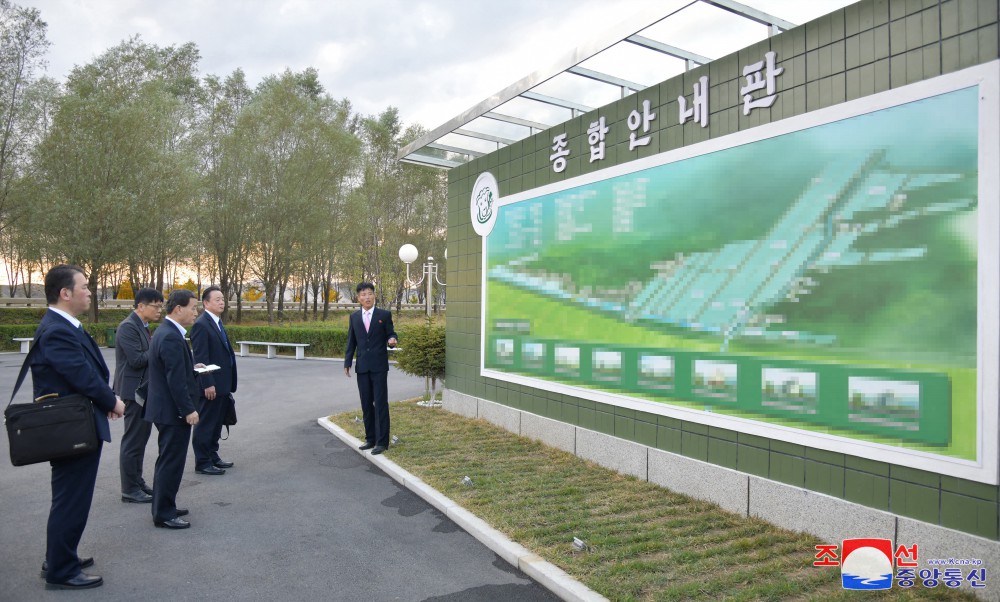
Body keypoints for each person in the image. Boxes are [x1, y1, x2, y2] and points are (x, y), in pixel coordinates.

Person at [32, 265, 125, 590]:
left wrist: (103, 402)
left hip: (77, 424)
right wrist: (112, 401)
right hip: (70, 428)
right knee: (71, 499)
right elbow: (79, 374)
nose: (90, 292)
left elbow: (82, 372)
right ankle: (61, 570)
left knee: (69, 497)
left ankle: (60, 556)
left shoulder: (64, 325)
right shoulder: (57, 329)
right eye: (84, 286)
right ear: (65, 293)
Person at [144, 290, 200, 529]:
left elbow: (176, 370)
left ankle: (164, 505)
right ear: (178, 309)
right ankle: (164, 514)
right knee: (171, 462)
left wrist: (192, 366)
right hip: (171, 411)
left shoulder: (168, 332)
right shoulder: (169, 336)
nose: (196, 313)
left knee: (168, 460)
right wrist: (188, 409)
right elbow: (174, 380)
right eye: (193, 308)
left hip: (166, 409)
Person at [114, 287, 164, 504]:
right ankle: (129, 489)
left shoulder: (143, 326)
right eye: (156, 306)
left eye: (161, 307)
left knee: (140, 440)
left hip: (144, 390)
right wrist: (158, 346)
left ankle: (137, 482)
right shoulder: (127, 327)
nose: (159, 311)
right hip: (133, 392)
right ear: (141, 306)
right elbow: (136, 360)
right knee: (133, 441)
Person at [344, 282, 398, 455]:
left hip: (379, 366)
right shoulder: (354, 317)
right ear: (358, 298)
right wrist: (347, 362)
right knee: (366, 403)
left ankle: (382, 442)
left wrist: (392, 340)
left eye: (369, 294)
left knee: (380, 403)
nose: (367, 297)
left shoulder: (384, 315)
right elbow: (351, 341)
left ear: (374, 295)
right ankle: (370, 438)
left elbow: (391, 333)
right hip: (362, 366)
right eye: (363, 294)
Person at [190, 285, 237, 475]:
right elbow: (200, 357)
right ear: (206, 303)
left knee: (217, 423)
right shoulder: (201, 324)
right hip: (211, 385)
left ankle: (212, 455)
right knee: (206, 423)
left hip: (223, 384)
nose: (221, 302)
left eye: (223, 299)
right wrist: (207, 382)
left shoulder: (217, 322)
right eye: (216, 299)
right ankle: (202, 461)